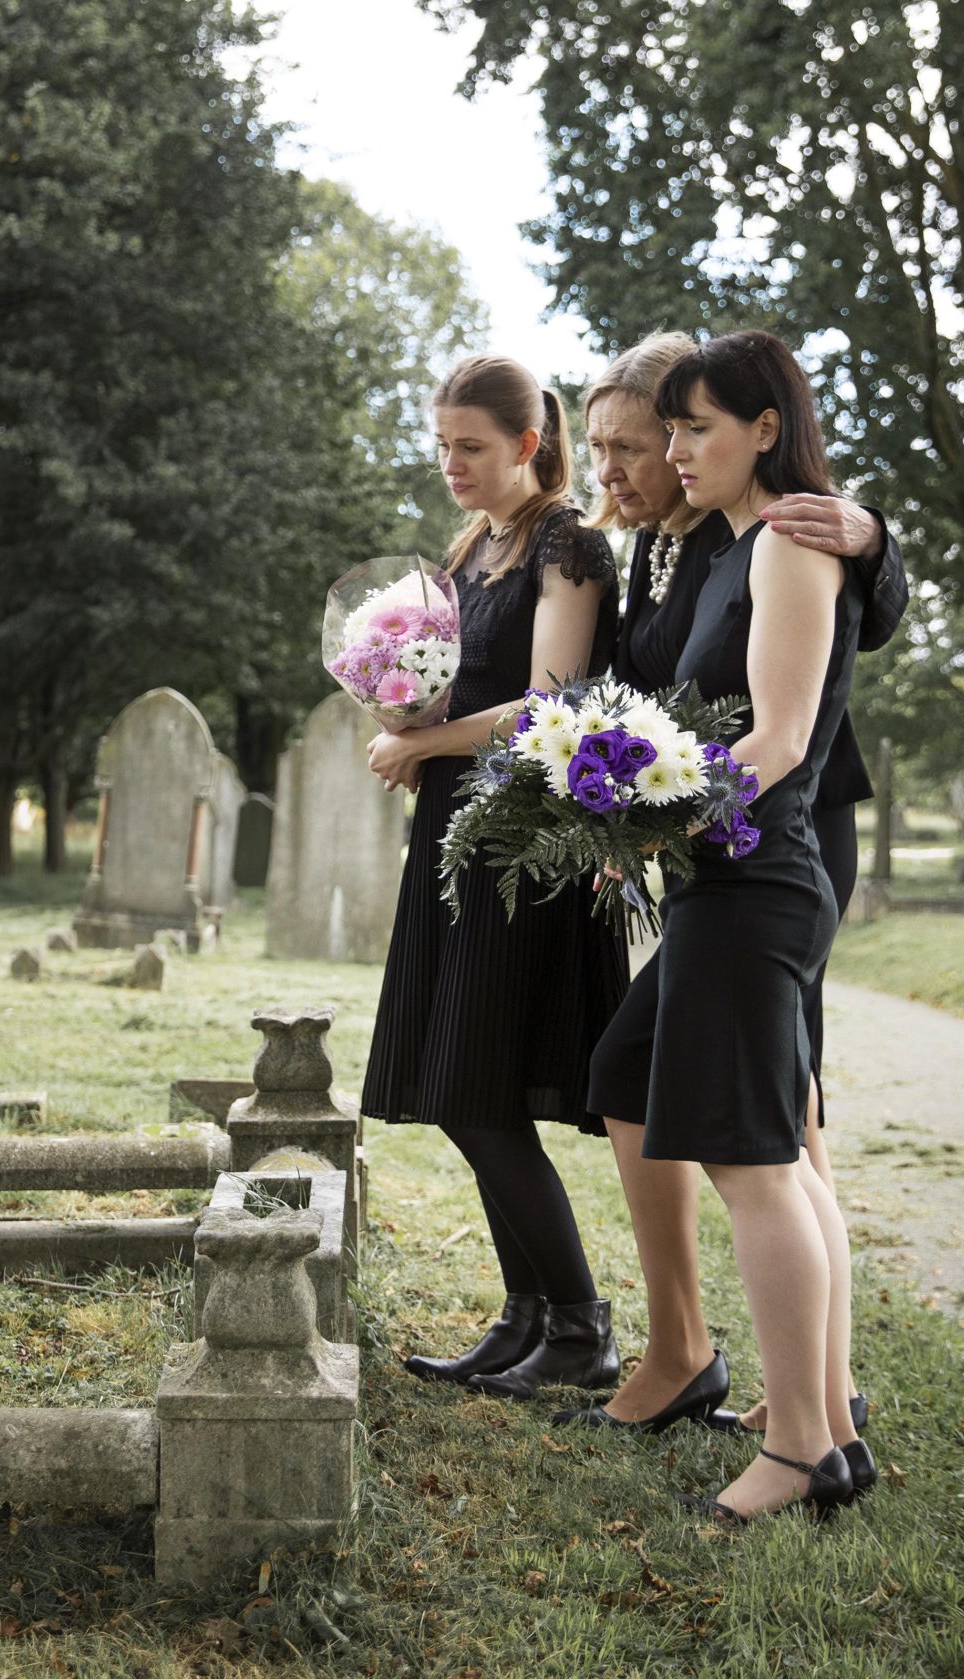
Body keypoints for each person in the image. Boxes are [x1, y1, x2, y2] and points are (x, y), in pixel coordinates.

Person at [570, 333, 904, 1449]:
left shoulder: (776, 534)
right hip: (708, 844)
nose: (623, 465)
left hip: (777, 838)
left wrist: (870, 533)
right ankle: (707, 1356)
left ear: (746, 431)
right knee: (641, 1077)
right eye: (611, 445)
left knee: (776, 1129)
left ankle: (816, 1411)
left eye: (645, 440)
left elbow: (786, 716)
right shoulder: (663, 552)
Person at [365, 354, 630, 1401]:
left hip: (521, 845)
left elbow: (549, 703)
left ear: (527, 444)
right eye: (442, 446)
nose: (452, 464)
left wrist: (424, 745)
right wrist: (401, 710)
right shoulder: (472, 545)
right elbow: (455, 680)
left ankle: (580, 1326)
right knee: (465, 1089)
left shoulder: (569, 544)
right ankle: (527, 1319)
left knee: (478, 1090)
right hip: (453, 834)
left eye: (470, 447)